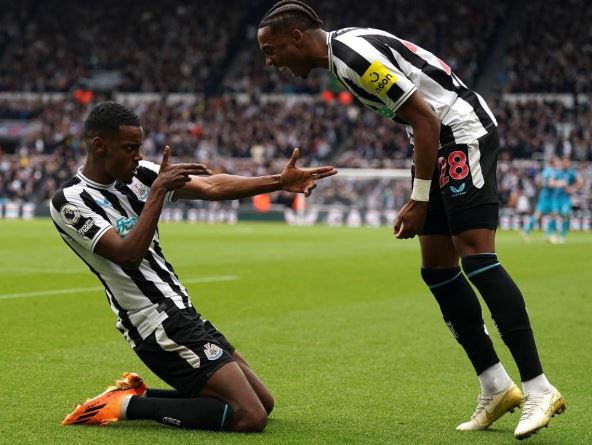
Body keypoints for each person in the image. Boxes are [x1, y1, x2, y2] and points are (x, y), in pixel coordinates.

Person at [256, 1, 565, 439]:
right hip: (436, 142)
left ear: (297, 37)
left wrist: (418, 198)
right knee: (437, 268)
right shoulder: (342, 58)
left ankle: (538, 387)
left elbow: (426, 116)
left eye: (271, 50)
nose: (270, 62)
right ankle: (495, 385)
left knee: (477, 256)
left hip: (461, 133)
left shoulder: (353, 56)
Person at [51, 101, 337, 432]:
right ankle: (126, 406)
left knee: (263, 402)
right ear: (99, 146)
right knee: (250, 416)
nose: (138, 156)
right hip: (153, 323)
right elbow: (128, 254)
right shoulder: (70, 201)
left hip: (181, 310)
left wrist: (278, 181)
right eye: (129, 148)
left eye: (139, 147)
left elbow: (212, 186)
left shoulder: (141, 174)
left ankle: (134, 396)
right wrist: (159, 190)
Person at [522, 157, 559, 242]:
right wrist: (560, 183)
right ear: (553, 163)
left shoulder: (546, 170)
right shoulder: (551, 171)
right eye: (557, 162)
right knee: (539, 215)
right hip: (547, 197)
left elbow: (538, 181)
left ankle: (547, 235)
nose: (558, 164)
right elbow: (550, 184)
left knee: (553, 214)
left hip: (547, 196)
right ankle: (527, 231)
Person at [551, 157, 582, 244]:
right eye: (564, 163)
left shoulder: (572, 173)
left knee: (565, 214)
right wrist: (558, 183)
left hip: (565, 198)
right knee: (554, 215)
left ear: (569, 164)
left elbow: (580, 182)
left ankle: (562, 235)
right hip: (556, 197)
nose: (565, 164)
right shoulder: (557, 172)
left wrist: (572, 188)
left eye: (567, 163)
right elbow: (551, 182)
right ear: (562, 164)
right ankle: (554, 234)